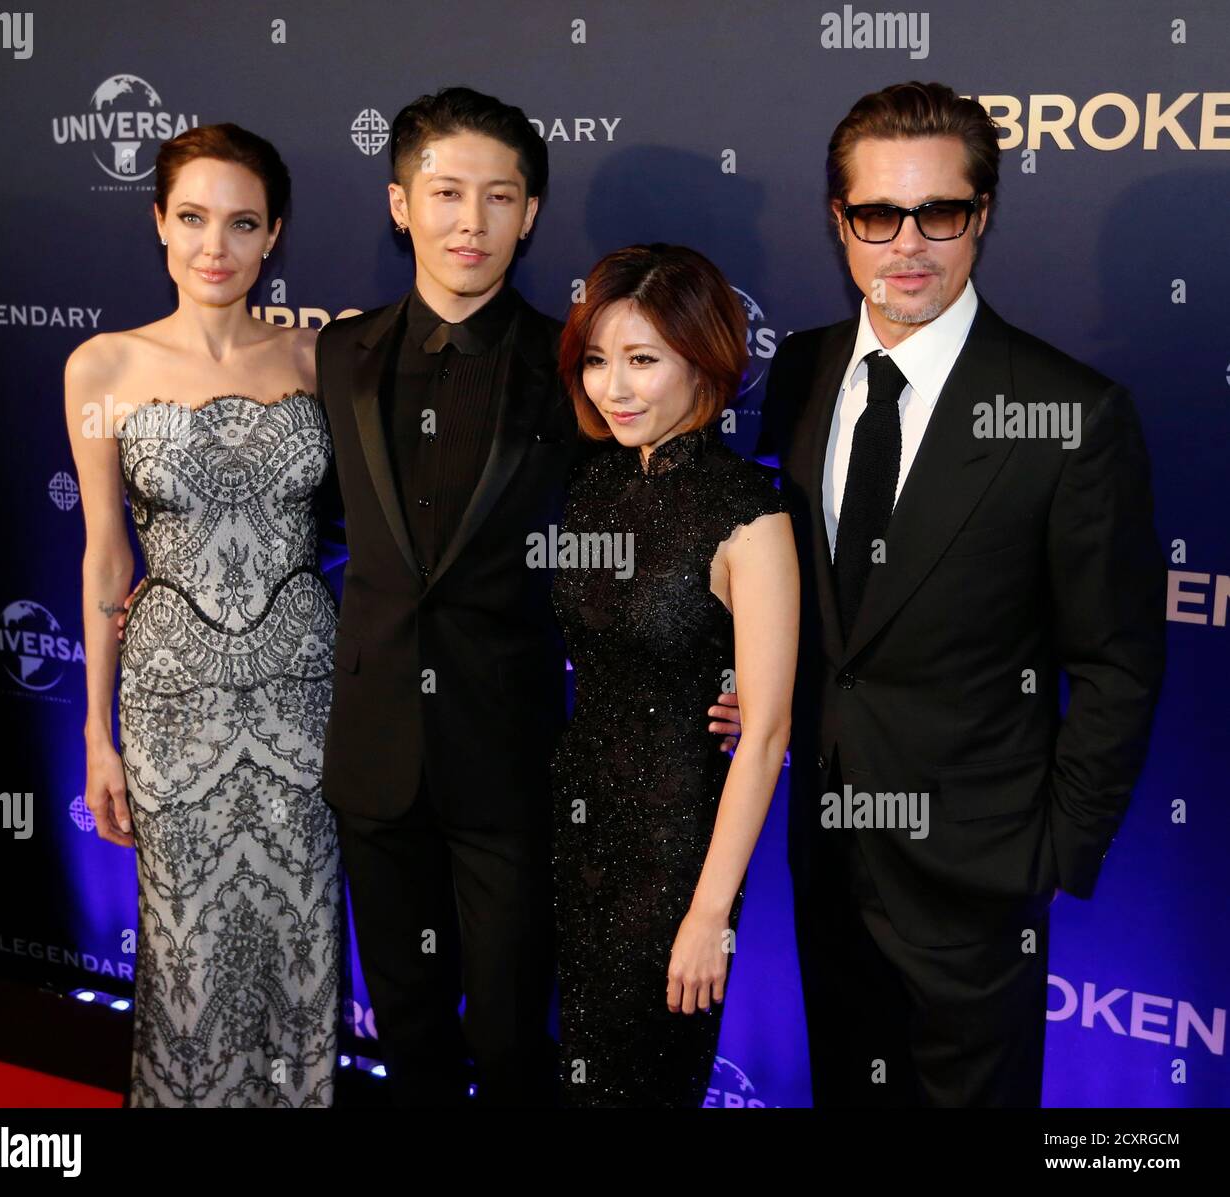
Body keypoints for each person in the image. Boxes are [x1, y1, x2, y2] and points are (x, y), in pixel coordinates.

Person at [312, 87, 741, 1107]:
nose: (472, 221)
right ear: (399, 204)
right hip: (372, 756)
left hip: (511, 758)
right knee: (407, 1031)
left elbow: (665, 525)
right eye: (447, 193)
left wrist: (718, 674)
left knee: (511, 1036)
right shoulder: (338, 351)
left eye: (499, 197)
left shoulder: (576, 371)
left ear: (532, 215)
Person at [756, 81, 1166, 1106]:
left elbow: (1116, 662)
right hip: (824, 843)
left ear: (980, 216)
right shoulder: (801, 370)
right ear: (837, 221)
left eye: (938, 212)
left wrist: (1048, 853)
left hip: (978, 874)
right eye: (876, 215)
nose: (908, 246)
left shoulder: (1068, 412)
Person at [67, 123, 341, 1107]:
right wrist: (96, 736)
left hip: (305, 709)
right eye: (191, 217)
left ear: (273, 237)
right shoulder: (103, 366)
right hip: (172, 713)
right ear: (158, 224)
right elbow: (105, 553)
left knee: (302, 957)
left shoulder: (322, 361)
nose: (213, 244)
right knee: (187, 975)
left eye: (240, 222)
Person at [550, 244, 799, 1107]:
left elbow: (763, 736)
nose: (612, 387)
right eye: (596, 359)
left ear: (704, 359)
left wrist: (706, 915)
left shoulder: (749, 515)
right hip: (571, 829)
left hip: (673, 856)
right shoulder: (592, 487)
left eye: (643, 360)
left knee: (642, 1080)